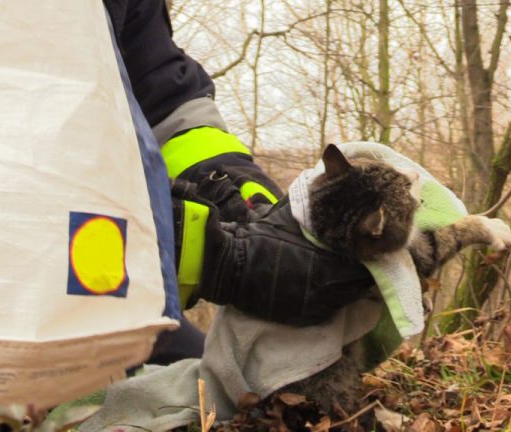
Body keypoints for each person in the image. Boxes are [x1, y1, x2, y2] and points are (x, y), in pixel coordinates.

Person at [103, 0, 374, 364]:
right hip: (30, 304)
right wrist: (217, 254)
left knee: (213, 386)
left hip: (121, 304)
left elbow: (160, 94)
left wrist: (237, 190)